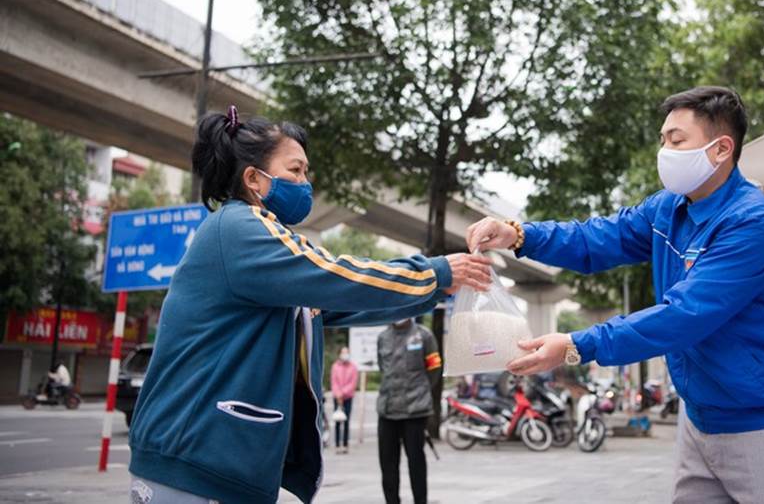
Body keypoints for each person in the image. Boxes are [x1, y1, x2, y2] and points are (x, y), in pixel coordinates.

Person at [467, 86, 764, 504]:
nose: (665, 152)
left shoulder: (750, 222)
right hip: (700, 420)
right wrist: (519, 234)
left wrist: (576, 345)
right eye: (663, 141)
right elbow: (595, 239)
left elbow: (684, 317)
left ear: (721, 149)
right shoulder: (669, 208)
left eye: (677, 141)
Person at [128, 107, 492, 504]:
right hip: (194, 465)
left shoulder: (264, 246)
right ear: (254, 179)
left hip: (210, 466)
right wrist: (434, 273)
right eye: (296, 170)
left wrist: (436, 290)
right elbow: (334, 275)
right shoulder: (239, 228)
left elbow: (347, 304)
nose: (306, 183)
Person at [376, 317, 442, 504]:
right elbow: (383, 367)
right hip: (387, 409)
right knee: (387, 463)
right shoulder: (383, 337)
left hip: (415, 410)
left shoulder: (424, 335)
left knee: (416, 462)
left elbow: (435, 368)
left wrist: (420, 390)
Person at [330, 346, 358, 453]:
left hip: (348, 397)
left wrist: (343, 393)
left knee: (346, 421)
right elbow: (334, 381)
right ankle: (337, 445)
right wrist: (338, 394)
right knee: (337, 420)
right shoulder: (335, 366)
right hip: (337, 397)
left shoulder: (353, 367)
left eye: (347, 352)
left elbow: (353, 383)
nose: (345, 354)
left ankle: (345, 444)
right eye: (343, 352)